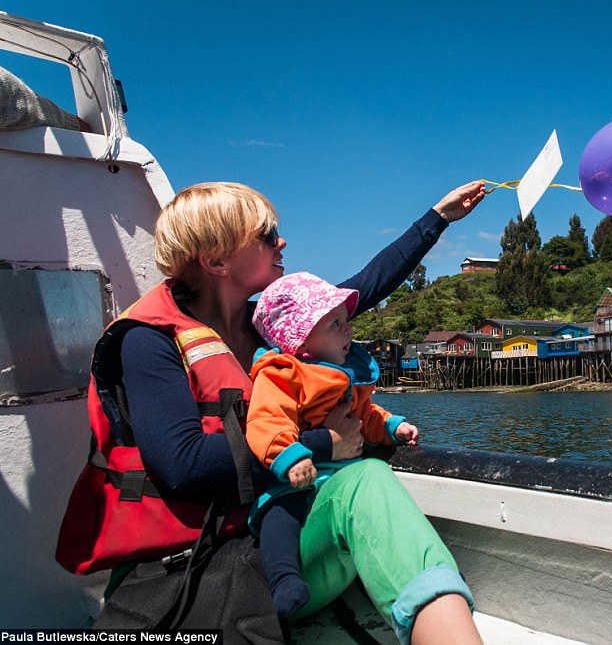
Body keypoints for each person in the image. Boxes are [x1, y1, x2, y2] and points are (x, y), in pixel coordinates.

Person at [59, 180, 486, 644]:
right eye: (265, 235)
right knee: (362, 476)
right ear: (216, 261)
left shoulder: (275, 328)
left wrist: (438, 218)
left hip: (274, 548)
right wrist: (324, 442)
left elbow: (367, 284)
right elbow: (183, 465)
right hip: (188, 569)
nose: (281, 242)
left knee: (367, 478)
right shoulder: (148, 341)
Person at [245, 271, 421, 618]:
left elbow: (365, 416)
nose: (348, 330)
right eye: (335, 323)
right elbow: (267, 420)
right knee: (278, 515)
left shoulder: (347, 376)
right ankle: (284, 580)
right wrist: (289, 456)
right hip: (297, 479)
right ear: (300, 340)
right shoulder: (282, 372)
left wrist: (392, 427)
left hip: (342, 477)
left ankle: (411, 573)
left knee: (372, 503)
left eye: (346, 321)